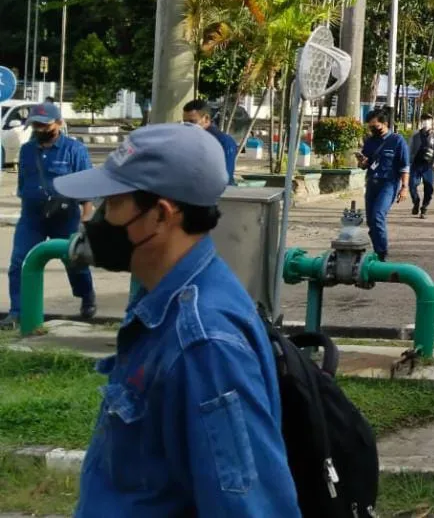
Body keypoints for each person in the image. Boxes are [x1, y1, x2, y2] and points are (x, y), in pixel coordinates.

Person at [53, 123, 299, 516]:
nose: (97, 219)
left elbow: (249, 507)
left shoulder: (205, 343)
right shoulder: (163, 303)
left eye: (112, 203)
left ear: (161, 215)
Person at [2, 103, 94, 329]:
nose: (40, 129)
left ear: (59, 124)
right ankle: (18, 312)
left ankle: (86, 295)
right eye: (36, 125)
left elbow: (86, 186)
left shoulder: (74, 150)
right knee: (20, 261)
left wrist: (86, 216)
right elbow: (24, 181)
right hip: (32, 217)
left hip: (65, 216)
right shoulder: (27, 150)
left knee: (74, 260)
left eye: (45, 125)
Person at [356, 109, 410, 260]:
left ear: (385, 123)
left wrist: (404, 187)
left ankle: (382, 253)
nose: (373, 129)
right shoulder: (370, 141)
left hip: (389, 184)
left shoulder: (397, 140)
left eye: (376, 126)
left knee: (378, 216)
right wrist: (362, 162)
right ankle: (377, 249)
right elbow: (365, 165)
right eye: (370, 126)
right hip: (372, 183)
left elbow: (405, 166)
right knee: (371, 221)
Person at [181, 99, 239, 184]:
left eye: (192, 122)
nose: (188, 126)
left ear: (206, 119)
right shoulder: (187, 141)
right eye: (185, 122)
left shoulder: (223, 142)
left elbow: (224, 177)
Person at [408, 114, 434, 218]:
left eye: (428, 120)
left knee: (429, 187)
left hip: (429, 165)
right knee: (412, 185)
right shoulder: (415, 135)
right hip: (416, 164)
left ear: (432, 122)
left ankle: (424, 207)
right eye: (424, 120)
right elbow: (410, 148)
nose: (426, 122)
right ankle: (416, 201)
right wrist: (408, 162)